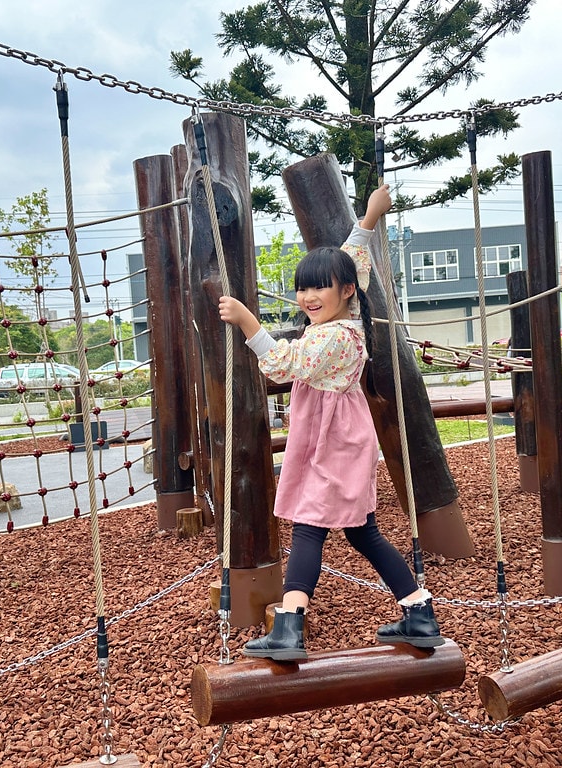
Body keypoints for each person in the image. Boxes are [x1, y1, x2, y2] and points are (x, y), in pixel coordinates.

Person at [217, 184, 444, 661]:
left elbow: (279, 364)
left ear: (345, 292)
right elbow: (352, 258)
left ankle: (290, 625)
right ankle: (419, 612)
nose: (308, 296)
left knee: (307, 525)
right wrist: (369, 218)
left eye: (319, 287)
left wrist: (245, 321)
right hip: (337, 440)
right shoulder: (345, 311)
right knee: (361, 531)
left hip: (333, 444)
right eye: (303, 287)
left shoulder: (335, 339)